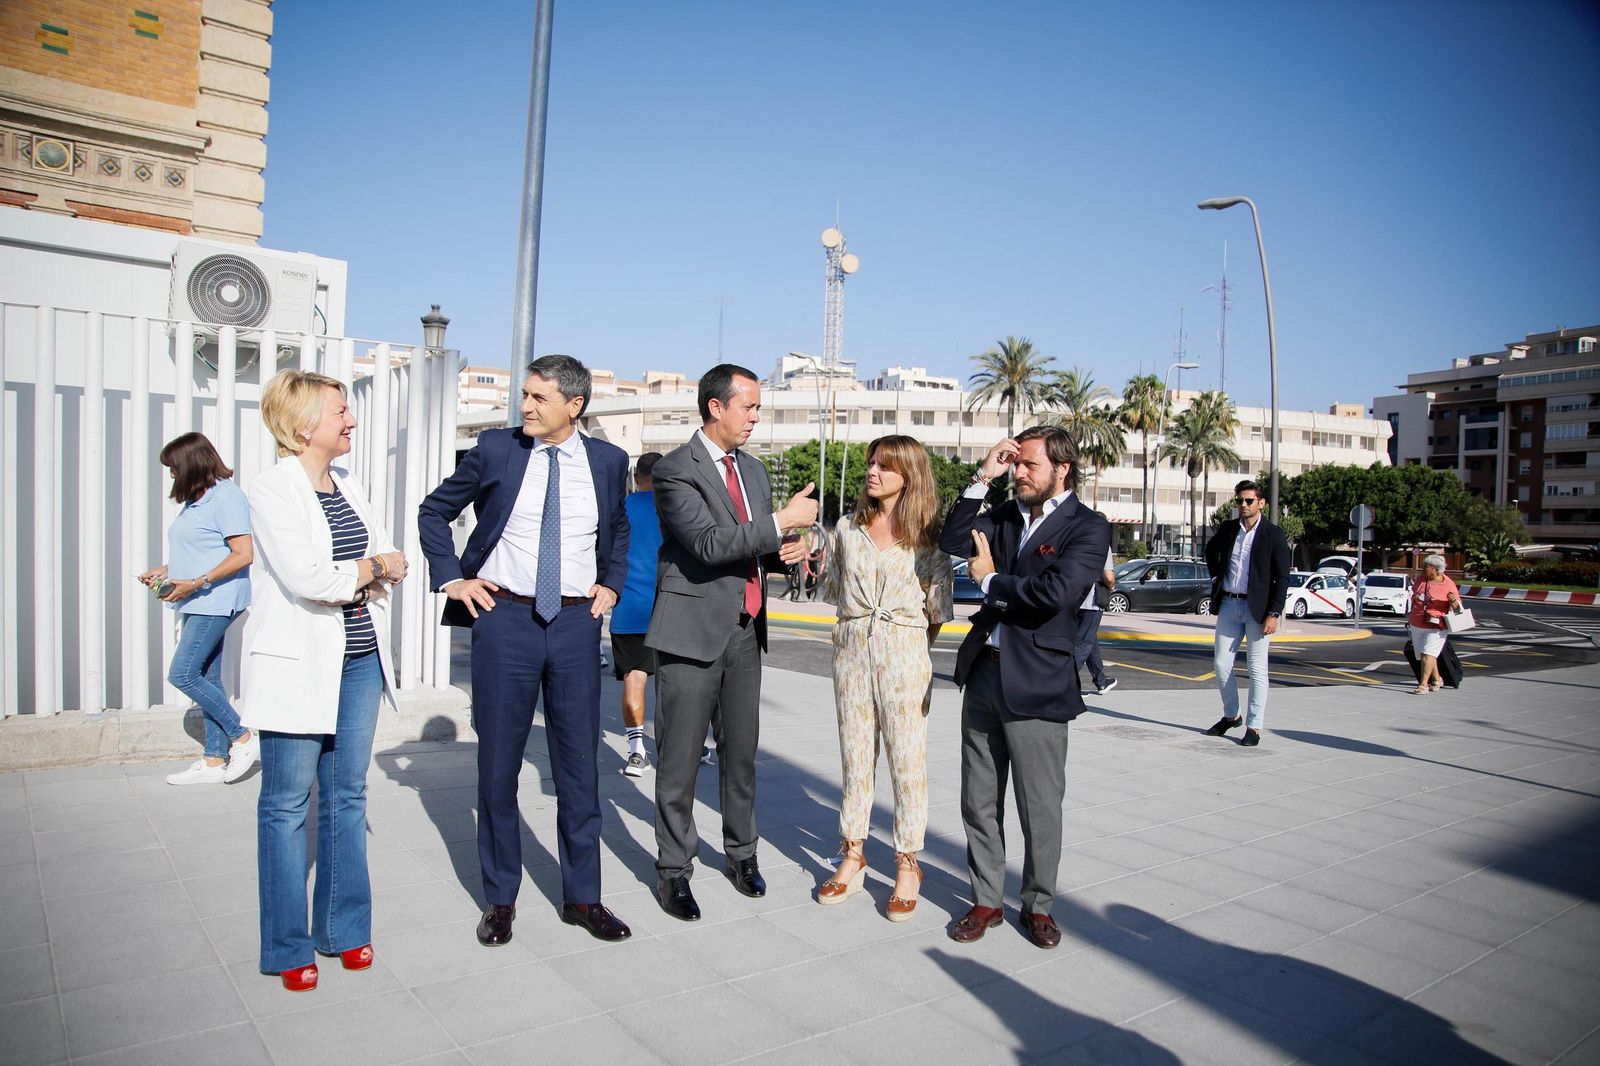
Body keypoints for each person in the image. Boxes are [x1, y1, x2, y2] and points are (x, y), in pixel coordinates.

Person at [417, 354, 634, 947]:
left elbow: (618, 530)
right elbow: (434, 510)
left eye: (540, 398)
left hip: (573, 625)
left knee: (578, 768)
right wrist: (451, 577)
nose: (527, 406)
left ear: (575, 405)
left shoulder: (610, 462)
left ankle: (583, 898)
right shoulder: (496, 449)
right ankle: (500, 899)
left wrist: (612, 582)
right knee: (498, 767)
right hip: (504, 619)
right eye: (525, 395)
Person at [243, 370, 408, 992]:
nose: (352, 421)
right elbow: (310, 577)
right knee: (286, 806)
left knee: (347, 797)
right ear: (305, 421)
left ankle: (344, 929)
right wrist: (367, 569)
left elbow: (391, 557)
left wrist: (365, 570)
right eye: (342, 411)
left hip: (360, 661)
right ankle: (287, 945)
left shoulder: (349, 484)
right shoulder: (271, 490)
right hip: (298, 668)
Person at [644, 363, 815, 921]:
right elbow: (708, 543)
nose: (756, 418)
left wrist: (781, 551)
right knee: (680, 762)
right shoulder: (674, 471)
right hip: (691, 633)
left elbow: (752, 545)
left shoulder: (755, 471)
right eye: (750, 407)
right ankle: (674, 870)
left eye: (759, 407)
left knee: (742, 757)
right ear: (716, 407)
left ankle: (742, 854)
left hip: (746, 631)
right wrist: (779, 523)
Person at [937, 428, 1110, 949]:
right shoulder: (1006, 515)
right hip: (985, 673)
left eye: (1028, 465)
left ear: (1063, 468)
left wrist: (990, 583)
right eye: (1013, 465)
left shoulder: (1088, 526)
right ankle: (986, 900)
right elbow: (950, 541)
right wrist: (981, 477)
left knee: (1040, 805)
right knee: (979, 799)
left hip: (1038, 680)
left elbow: (1056, 593)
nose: (1019, 473)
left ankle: (1038, 906)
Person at [817, 436, 953, 921]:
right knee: (856, 760)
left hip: (905, 656)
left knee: (907, 764)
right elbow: (832, 590)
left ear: (908, 475)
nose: (872, 471)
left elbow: (937, 613)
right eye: (871, 462)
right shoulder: (846, 529)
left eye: (884, 465)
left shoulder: (931, 541)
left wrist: (906, 647)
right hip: (850, 654)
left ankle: (907, 863)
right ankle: (852, 854)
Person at [139, 433, 257, 786]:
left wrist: (196, 582)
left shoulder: (228, 497)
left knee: (183, 674)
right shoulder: (196, 501)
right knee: (205, 677)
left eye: (174, 468)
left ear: (192, 462)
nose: (172, 476)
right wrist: (167, 571)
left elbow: (242, 554)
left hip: (215, 600)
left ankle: (243, 738)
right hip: (197, 598)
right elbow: (200, 549)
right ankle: (212, 760)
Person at [1202, 479, 1292, 747]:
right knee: (1220, 665)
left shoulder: (1274, 535)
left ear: (1261, 503)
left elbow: (1282, 577)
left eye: (1249, 500)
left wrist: (1274, 613)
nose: (1243, 505)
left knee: (1257, 669)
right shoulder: (1229, 529)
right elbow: (1210, 551)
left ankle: (1254, 725)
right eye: (1239, 500)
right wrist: (1217, 575)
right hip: (1230, 604)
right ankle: (1232, 715)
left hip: (1259, 609)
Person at [610, 451, 664, 777]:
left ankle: (636, 751)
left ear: (636, 476)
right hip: (669, 610)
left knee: (634, 680)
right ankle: (683, 747)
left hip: (629, 610)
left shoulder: (622, 508)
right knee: (675, 686)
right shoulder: (674, 510)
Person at [1408, 554, 1463, 694]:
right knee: (1424, 655)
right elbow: (1414, 595)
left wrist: (1452, 601)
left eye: (1426, 567)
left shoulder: (1448, 584)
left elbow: (1458, 607)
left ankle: (1423, 685)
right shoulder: (1421, 579)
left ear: (1437, 570)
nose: (1423, 569)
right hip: (1418, 622)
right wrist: (1416, 599)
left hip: (1437, 626)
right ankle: (1437, 679)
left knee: (1428, 653)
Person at [1073, 544, 1118, 696]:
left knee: (1089, 639)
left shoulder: (1075, 539)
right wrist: (1111, 587)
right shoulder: (1102, 544)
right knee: (1084, 643)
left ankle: (1101, 681)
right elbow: (1109, 577)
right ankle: (1064, 683)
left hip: (1073, 598)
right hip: (1092, 601)